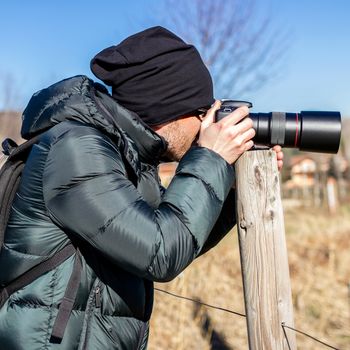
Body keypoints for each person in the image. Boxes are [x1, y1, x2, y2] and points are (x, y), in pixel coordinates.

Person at [0, 26, 283, 349]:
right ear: (169, 110)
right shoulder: (76, 148)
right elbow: (160, 252)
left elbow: (180, 236)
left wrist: (231, 190)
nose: (207, 123)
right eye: (202, 112)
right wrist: (210, 157)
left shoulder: (130, 159)